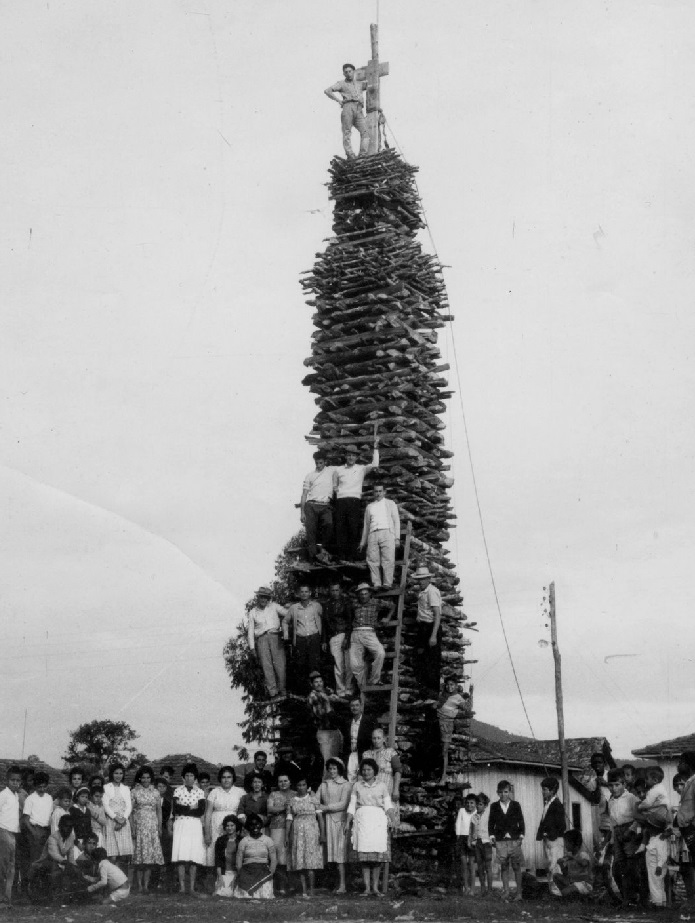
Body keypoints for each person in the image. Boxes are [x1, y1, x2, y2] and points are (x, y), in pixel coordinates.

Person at [346, 758, 394, 897]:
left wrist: (393, 820)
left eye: (369, 770)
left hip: (378, 821)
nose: (366, 772)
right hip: (363, 821)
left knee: (377, 858)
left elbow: (388, 805)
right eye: (364, 770)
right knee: (365, 858)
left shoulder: (382, 786)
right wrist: (348, 821)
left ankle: (375, 888)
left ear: (374, 771)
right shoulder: (357, 786)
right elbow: (352, 804)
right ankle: (367, 888)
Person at [333, 439, 380, 561]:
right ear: (345, 456)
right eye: (348, 455)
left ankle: (352, 556)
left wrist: (375, 448)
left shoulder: (361, 469)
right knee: (340, 528)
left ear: (356, 457)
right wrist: (337, 491)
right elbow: (334, 485)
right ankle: (341, 556)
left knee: (353, 528)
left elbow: (375, 465)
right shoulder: (338, 470)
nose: (350, 458)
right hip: (341, 501)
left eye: (353, 455)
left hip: (354, 501)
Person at [635, 766, 670, 907]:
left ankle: (657, 902)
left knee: (655, 878)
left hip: (659, 816)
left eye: (648, 779)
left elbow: (648, 803)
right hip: (663, 815)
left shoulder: (655, 790)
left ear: (655, 780)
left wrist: (640, 807)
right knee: (657, 879)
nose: (647, 781)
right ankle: (660, 901)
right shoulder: (661, 789)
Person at [349, 584, 394, 690]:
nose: (363, 596)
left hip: (369, 633)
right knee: (355, 664)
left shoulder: (376, 602)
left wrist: (387, 618)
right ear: (358, 595)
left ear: (369, 594)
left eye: (366, 593)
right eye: (361, 594)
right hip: (355, 633)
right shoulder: (354, 604)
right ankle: (361, 684)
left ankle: (374, 679)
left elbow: (392, 606)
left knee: (380, 653)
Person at [247, 587, 289, 701]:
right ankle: (273, 693)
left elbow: (288, 614)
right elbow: (250, 631)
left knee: (280, 664)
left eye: (265, 597)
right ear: (258, 597)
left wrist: (291, 608)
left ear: (268, 598)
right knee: (267, 666)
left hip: (275, 636)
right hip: (261, 639)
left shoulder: (274, 606)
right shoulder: (253, 612)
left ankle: (282, 690)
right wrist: (252, 648)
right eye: (261, 597)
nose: (263, 599)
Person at [171, 763, 206, 895]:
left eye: (192, 775)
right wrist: (191, 807)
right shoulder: (178, 791)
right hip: (181, 825)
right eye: (187, 775)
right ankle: (182, 887)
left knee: (193, 856)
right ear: (183, 777)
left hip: (195, 825)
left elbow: (200, 811)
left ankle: (191, 888)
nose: (189, 778)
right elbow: (176, 809)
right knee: (181, 855)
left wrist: (185, 808)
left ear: (195, 778)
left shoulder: (200, 792)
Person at [286, 776, 324, 898]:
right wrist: (287, 836)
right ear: (295, 787)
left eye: (303, 785)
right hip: (297, 831)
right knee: (300, 861)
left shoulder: (314, 800)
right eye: (299, 785)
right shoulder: (292, 801)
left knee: (311, 862)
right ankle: (304, 890)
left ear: (307, 786)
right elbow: (289, 820)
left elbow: (320, 819)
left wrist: (322, 834)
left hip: (312, 831)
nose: (301, 788)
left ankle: (312, 889)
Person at [606, 767, 640, 903]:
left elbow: (639, 818)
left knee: (631, 868)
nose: (614, 789)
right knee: (617, 869)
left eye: (617, 785)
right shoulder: (611, 802)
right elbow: (612, 823)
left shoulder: (632, 798)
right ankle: (627, 897)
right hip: (618, 834)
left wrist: (631, 830)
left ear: (624, 784)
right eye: (610, 785)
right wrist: (612, 840)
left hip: (630, 833)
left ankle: (634, 897)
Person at [319, 758, 352, 894]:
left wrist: (325, 807)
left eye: (335, 768)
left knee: (340, 855)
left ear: (339, 769)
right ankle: (334, 884)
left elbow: (343, 804)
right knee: (329, 855)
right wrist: (315, 804)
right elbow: (315, 800)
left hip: (340, 822)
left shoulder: (346, 784)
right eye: (330, 769)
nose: (332, 771)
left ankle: (343, 885)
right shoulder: (324, 784)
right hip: (327, 822)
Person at [488, 780, 525, 901]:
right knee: (504, 866)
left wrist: (521, 836)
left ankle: (519, 893)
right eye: (501, 792)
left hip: (514, 839)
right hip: (500, 840)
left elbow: (521, 821)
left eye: (506, 792)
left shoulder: (516, 805)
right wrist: (492, 837)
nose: (503, 794)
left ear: (509, 792)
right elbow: (491, 823)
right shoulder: (494, 806)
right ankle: (506, 891)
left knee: (516, 866)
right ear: (497, 793)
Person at [324, 63, 370, 160]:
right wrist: (338, 101)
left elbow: (371, 84)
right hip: (348, 107)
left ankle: (362, 155)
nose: (348, 73)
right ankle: (350, 155)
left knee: (365, 132)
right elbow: (327, 91)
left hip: (359, 108)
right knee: (347, 132)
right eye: (346, 72)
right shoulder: (341, 83)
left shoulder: (359, 84)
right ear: (344, 74)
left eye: (350, 71)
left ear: (354, 72)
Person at [205, 766, 245, 874]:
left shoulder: (240, 792)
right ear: (220, 778)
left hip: (233, 825)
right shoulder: (214, 792)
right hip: (216, 825)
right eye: (223, 777)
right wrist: (207, 833)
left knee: (232, 850)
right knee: (215, 851)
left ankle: (232, 880)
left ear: (233, 778)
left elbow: (243, 811)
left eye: (229, 777)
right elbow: (208, 812)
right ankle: (216, 880)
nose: (226, 780)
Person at [359, 484, 400, 589]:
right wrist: (363, 542)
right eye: (376, 491)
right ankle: (376, 583)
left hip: (387, 532)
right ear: (373, 493)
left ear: (384, 492)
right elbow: (366, 525)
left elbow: (396, 521)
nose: (378, 493)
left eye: (380, 491)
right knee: (372, 560)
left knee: (388, 558)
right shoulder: (370, 507)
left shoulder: (390, 504)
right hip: (373, 533)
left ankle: (387, 583)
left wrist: (397, 538)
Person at [131, 765, 164, 893]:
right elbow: (131, 811)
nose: (145, 780)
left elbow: (159, 811)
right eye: (143, 778)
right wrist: (133, 828)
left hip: (151, 826)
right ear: (139, 778)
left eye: (148, 777)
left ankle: (146, 886)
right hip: (139, 825)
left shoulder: (155, 792)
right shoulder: (134, 792)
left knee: (149, 858)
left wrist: (159, 827)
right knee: (140, 859)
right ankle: (139, 886)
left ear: (151, 778)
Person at [301, 451, 336, 561]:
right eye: (316, 463)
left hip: (325, 505)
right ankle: (313, 558)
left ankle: (322, 550)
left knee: (329, 525)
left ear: (325, 462)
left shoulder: (331, 471)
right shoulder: (310, 475)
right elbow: (304, 494)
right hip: (311, 505)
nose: (318, 465)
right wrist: (302, 512)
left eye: (320, 463)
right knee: (311, 531)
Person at [322, 581, 355, 698]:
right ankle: (340, 690)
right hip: (334, 637)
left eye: (337, 590)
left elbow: (350, 621)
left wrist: (347, 637)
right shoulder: (326, 605)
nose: (335, 592)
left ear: (340, 590)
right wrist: (325, 640)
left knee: (349, 664)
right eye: (333, 590)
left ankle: (349, 689)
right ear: (329, 591)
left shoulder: (346, 603)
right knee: (338, 665)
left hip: (345, 634)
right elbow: (325, 624)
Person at [414, 567, 442, 697]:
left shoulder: (432, 592)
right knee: (421, 658)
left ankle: (433, 693)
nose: (420, 582)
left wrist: (433, 636)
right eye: (419, 580)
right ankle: (423, 690)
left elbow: (437, 615)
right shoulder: (422, 592)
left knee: (432, 661)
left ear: (428, 579)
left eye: (423, 579)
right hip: (422, 628)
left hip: (431, 628)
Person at [266, 773, 296, 896]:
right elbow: (270, 809)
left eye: (285, 781)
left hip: (294, 827)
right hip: (277, 828)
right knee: (279, 857)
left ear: (290, 782)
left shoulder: (295, 794)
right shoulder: (274, 794)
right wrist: (284, 808)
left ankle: (293, 886)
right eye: (280, 781)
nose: (283, 783)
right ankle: (281, 886)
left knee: (291, 855)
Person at [286, 585, 323, 683]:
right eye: (302, 592)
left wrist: (322, 638)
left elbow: (323, 619)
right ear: (298, 594)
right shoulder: (294, 608)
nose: (304, 594)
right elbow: (285, 621)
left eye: (306, 591)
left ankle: (316, 690)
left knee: (314, 664)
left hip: (314, 637)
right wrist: (286, 635)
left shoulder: (316, 606)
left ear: (310, 593)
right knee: (301, 665)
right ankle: (304, 691)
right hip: (300, 639)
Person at [536, 777, 566, 897]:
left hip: (555, 840)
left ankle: (558, 892)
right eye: (542, 790)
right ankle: (551, 890)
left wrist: (549, 834)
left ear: (553, 790)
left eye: (545, 790)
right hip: (547, 840)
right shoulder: (547, 804)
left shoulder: (557, 805)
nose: (543, 792)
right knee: (548, 865)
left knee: (555, 865)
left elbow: (561, 825)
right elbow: (544, 821)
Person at [235, 815, 276, 899]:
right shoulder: (244, 841)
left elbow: (274, 860)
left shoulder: (268, 840)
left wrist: (270, 874)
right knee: (245, 896)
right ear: (248, 827)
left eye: (257, 824)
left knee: (265, 896)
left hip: (263, 871)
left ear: (261, 825)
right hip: (247, 871)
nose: (255, 827)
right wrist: (241, 873)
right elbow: (239, 859)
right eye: (252, 825)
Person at [436, 679, 469, 783]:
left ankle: (443, 775)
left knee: (444, 751)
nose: (449, 687)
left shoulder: (458, 698)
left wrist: (470, 695)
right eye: (447, 685)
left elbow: (467, 708)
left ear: (456, 685)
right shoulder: (442, 695)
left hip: (447, 724)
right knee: (437, 748)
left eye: (452, 684)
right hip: (437, 722)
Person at [307, 671, 343, 762]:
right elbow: (321, 715)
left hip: (334, 731)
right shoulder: (313, 696)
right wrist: (328, 700)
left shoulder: (325, 694)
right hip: (324, 732)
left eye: (320, 681)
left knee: (335, 761)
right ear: (312, 684)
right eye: (316, 682)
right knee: (328, 762)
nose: (319, 684)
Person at [342, 698, 379, 783]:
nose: (354, 708)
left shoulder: (369, 720)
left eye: (356, 705)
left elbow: (375, 737)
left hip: (364, 754)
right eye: (352, 706)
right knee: (350, 778)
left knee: (364, 779)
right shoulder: (347, 722)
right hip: (351, 754)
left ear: (361, 706)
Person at [0, 765, 21, 908]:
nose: (15, 783)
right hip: (3, 831)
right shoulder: (3, 795)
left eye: (18, 781)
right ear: (7, 781)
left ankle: (7, 899)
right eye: (12, 780)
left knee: (11, 868)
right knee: (2, 867)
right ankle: (2, 899)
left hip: (13, 834)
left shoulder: (16, 795)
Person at [21, 771, 53, 867]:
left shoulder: (49, 798)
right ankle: (31, 880)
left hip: (46, 830)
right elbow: (26, 819)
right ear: (35, 786)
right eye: (39, 787)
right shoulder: (30, 798)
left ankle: (41, 881)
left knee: (46, 858)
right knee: (35, 858)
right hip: (35, 829)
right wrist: (34, 833)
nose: (42, 789)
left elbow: (50, 815)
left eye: (44, 786)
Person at [554, 829, 594, 897]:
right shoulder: (569, 857)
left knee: (565, 892)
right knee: (555, 876)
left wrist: (573, 857)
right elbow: (566, 874)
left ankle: (577, 894)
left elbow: (584, 863)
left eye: (567, 843)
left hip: (584, 884)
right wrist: (561, 865)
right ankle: (570, 893)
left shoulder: (583, 854)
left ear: (573, 843)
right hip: (573, 882)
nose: (565, 845)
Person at [455, 792, 478, 895]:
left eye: (472, 803)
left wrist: (474, 840)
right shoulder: (462, 811)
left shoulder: (477, 813)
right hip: (462, 839)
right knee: (464, 865)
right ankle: (466, 888)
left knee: (472, 866)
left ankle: (472, 889)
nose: (469, 805)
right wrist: (458, 836)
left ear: (476, 804)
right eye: (468, 803)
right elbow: (458, 824)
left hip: (472, 839)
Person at [214, 814, 241, 897]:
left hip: (237, 873)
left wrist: (237, 878)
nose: (229, 828)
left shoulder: (241, 840)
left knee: (236, 894)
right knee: (221, 893)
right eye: (227, 826)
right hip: (224, 873)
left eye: (232, 825)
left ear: (236, 826)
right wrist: (220, 878)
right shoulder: (220, 840)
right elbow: (218, 861)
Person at [472, 793, 493, 896]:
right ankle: (482, 889)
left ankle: (489, 890)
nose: (478, 806)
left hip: (487, 842)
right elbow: (473, 831)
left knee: (488, 866)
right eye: (477, 804)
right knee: (480, 867)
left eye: (480, 804)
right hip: (477, 843)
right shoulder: (474, 816)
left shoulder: (489, 816)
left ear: (485, 805)